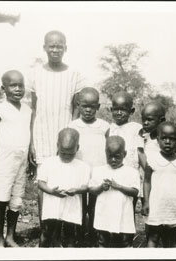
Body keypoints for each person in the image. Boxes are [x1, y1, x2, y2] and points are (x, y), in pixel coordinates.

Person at [27, 30, 85, 224]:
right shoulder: (35, 74)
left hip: (66, 136)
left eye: (59, 45)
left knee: (69, 179)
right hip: (42, 134)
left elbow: (77, 107)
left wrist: (71, 134)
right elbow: (34, 110)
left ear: (65, 48)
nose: (55, 49)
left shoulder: (74, 74)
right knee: (45, 181)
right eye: (51, 45)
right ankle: (46, 228)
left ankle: (68, 227)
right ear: (44, 47)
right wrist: (32, 142)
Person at [0, 70, 32, 247]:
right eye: (13, 85)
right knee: (2, 199)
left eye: (21, 85)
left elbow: (28, 133)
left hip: (22, 159)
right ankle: (0, 239)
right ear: (4, 88)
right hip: (4, 159)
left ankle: (11, 236)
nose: (18, 89)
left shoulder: (27, 110)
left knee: (16, 199)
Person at [142, 122, 176, 248]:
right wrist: (146, 202)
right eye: (164, 138)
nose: (167, 142)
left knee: (175, 238)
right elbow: (146, 181)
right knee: (153, 237)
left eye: (172, 139)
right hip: (157, 206)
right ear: (157, 139)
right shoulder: (152, 160)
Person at [68, 87, 109, 246]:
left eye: (92, 106)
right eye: (84, 106)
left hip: (97, 171)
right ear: (78, 105)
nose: (87, 110)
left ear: (98, 107)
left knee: (94, 204)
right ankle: (77, 234)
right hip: (79, 171)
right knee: (78, 204)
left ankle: (92, 234)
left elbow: (108, 148)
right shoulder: (73, 125)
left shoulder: (104, 126)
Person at [37, 128, 90, 247]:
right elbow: (40, 183)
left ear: (77, 148)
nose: (66, 156)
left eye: (70, 154)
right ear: (57, 146)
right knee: (46, 231)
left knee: (70, 234)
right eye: (63, 153)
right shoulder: (49, 162)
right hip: (52, 205)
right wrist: (51, 191)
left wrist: (76, 190)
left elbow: (86, 187)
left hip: (71, 207)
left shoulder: (83, 166)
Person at [89, 136, 139, 248]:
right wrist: (101, 187)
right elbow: (91, 189)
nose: (113, 160)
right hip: (104, 212)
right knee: (102, 239)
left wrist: (119, 186)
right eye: (110, 156)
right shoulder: (98, 170)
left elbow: (135, 192)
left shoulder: (132, 172)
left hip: (123, 212)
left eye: (117, 157)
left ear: (124, 154)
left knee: (124, 240)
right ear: (105, 153)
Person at [106, 91, 144, 216]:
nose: (119, 112)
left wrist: (146, 171)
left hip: (130, 172)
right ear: (111, 110)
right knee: (112, 203)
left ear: (131, 111)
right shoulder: (109, 128)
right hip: (113, 170)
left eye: (123, 109)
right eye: (116, 109)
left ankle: (127, 233)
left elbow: (140, 150)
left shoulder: (136, 128)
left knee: (128, 206)